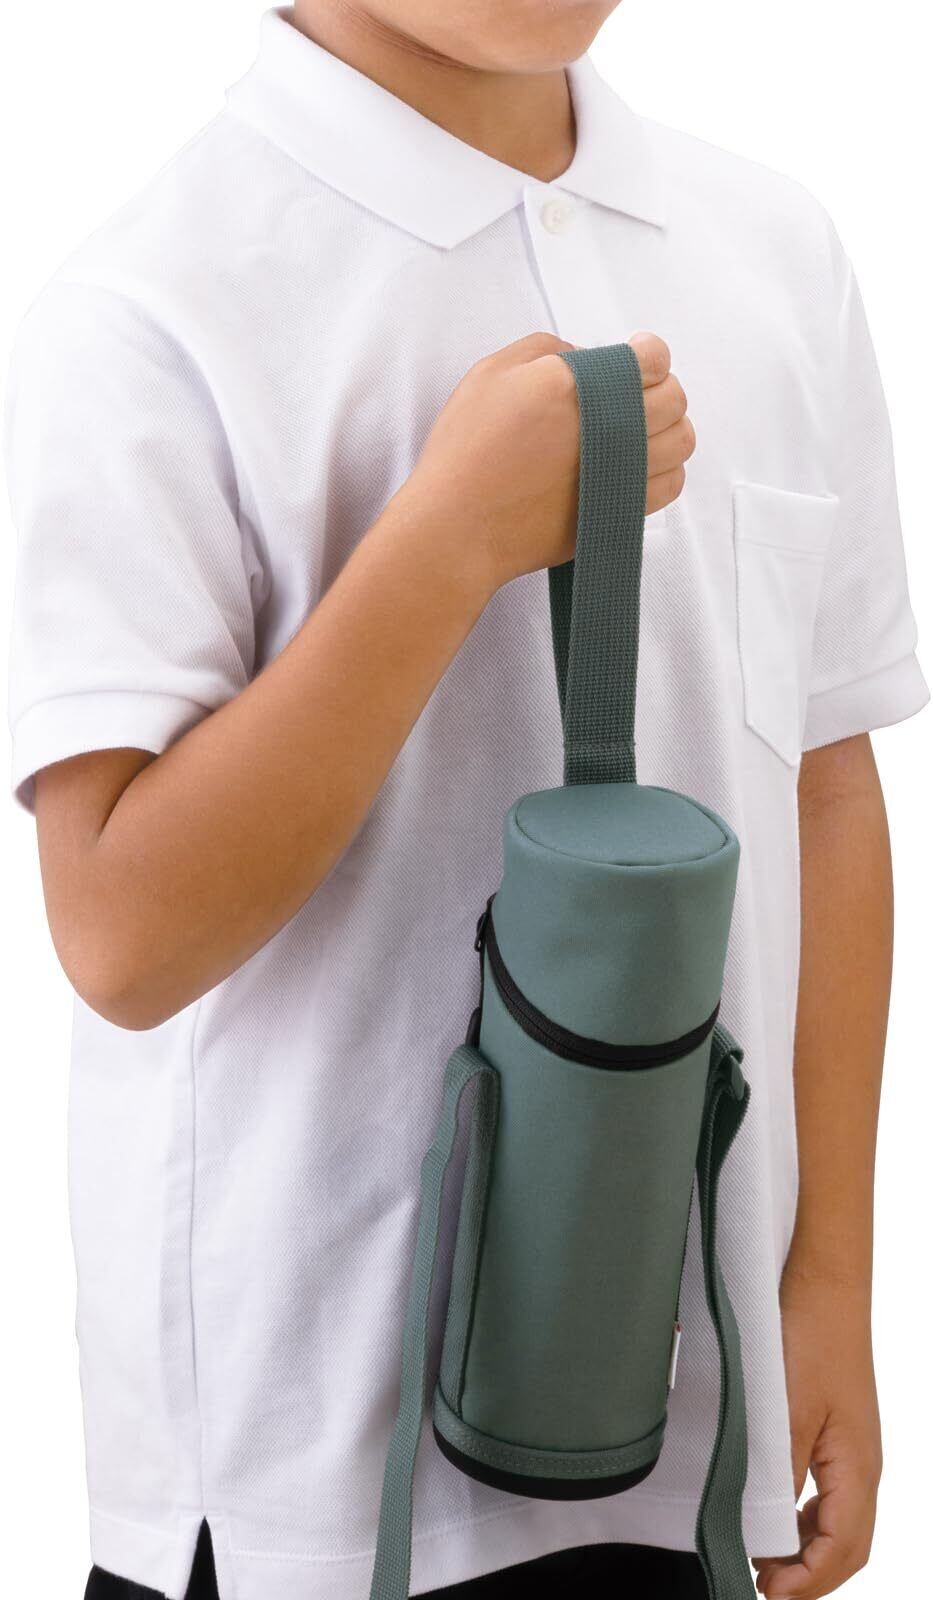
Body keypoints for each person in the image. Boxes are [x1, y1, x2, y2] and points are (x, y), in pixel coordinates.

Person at [5, 3, 927, 1598]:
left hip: (684, 1428)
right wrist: (444, 541)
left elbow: (824, 782)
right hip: (307, 1479)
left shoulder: (768, 246)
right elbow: (124, 937)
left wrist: (827, 1272)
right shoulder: (156, 303)